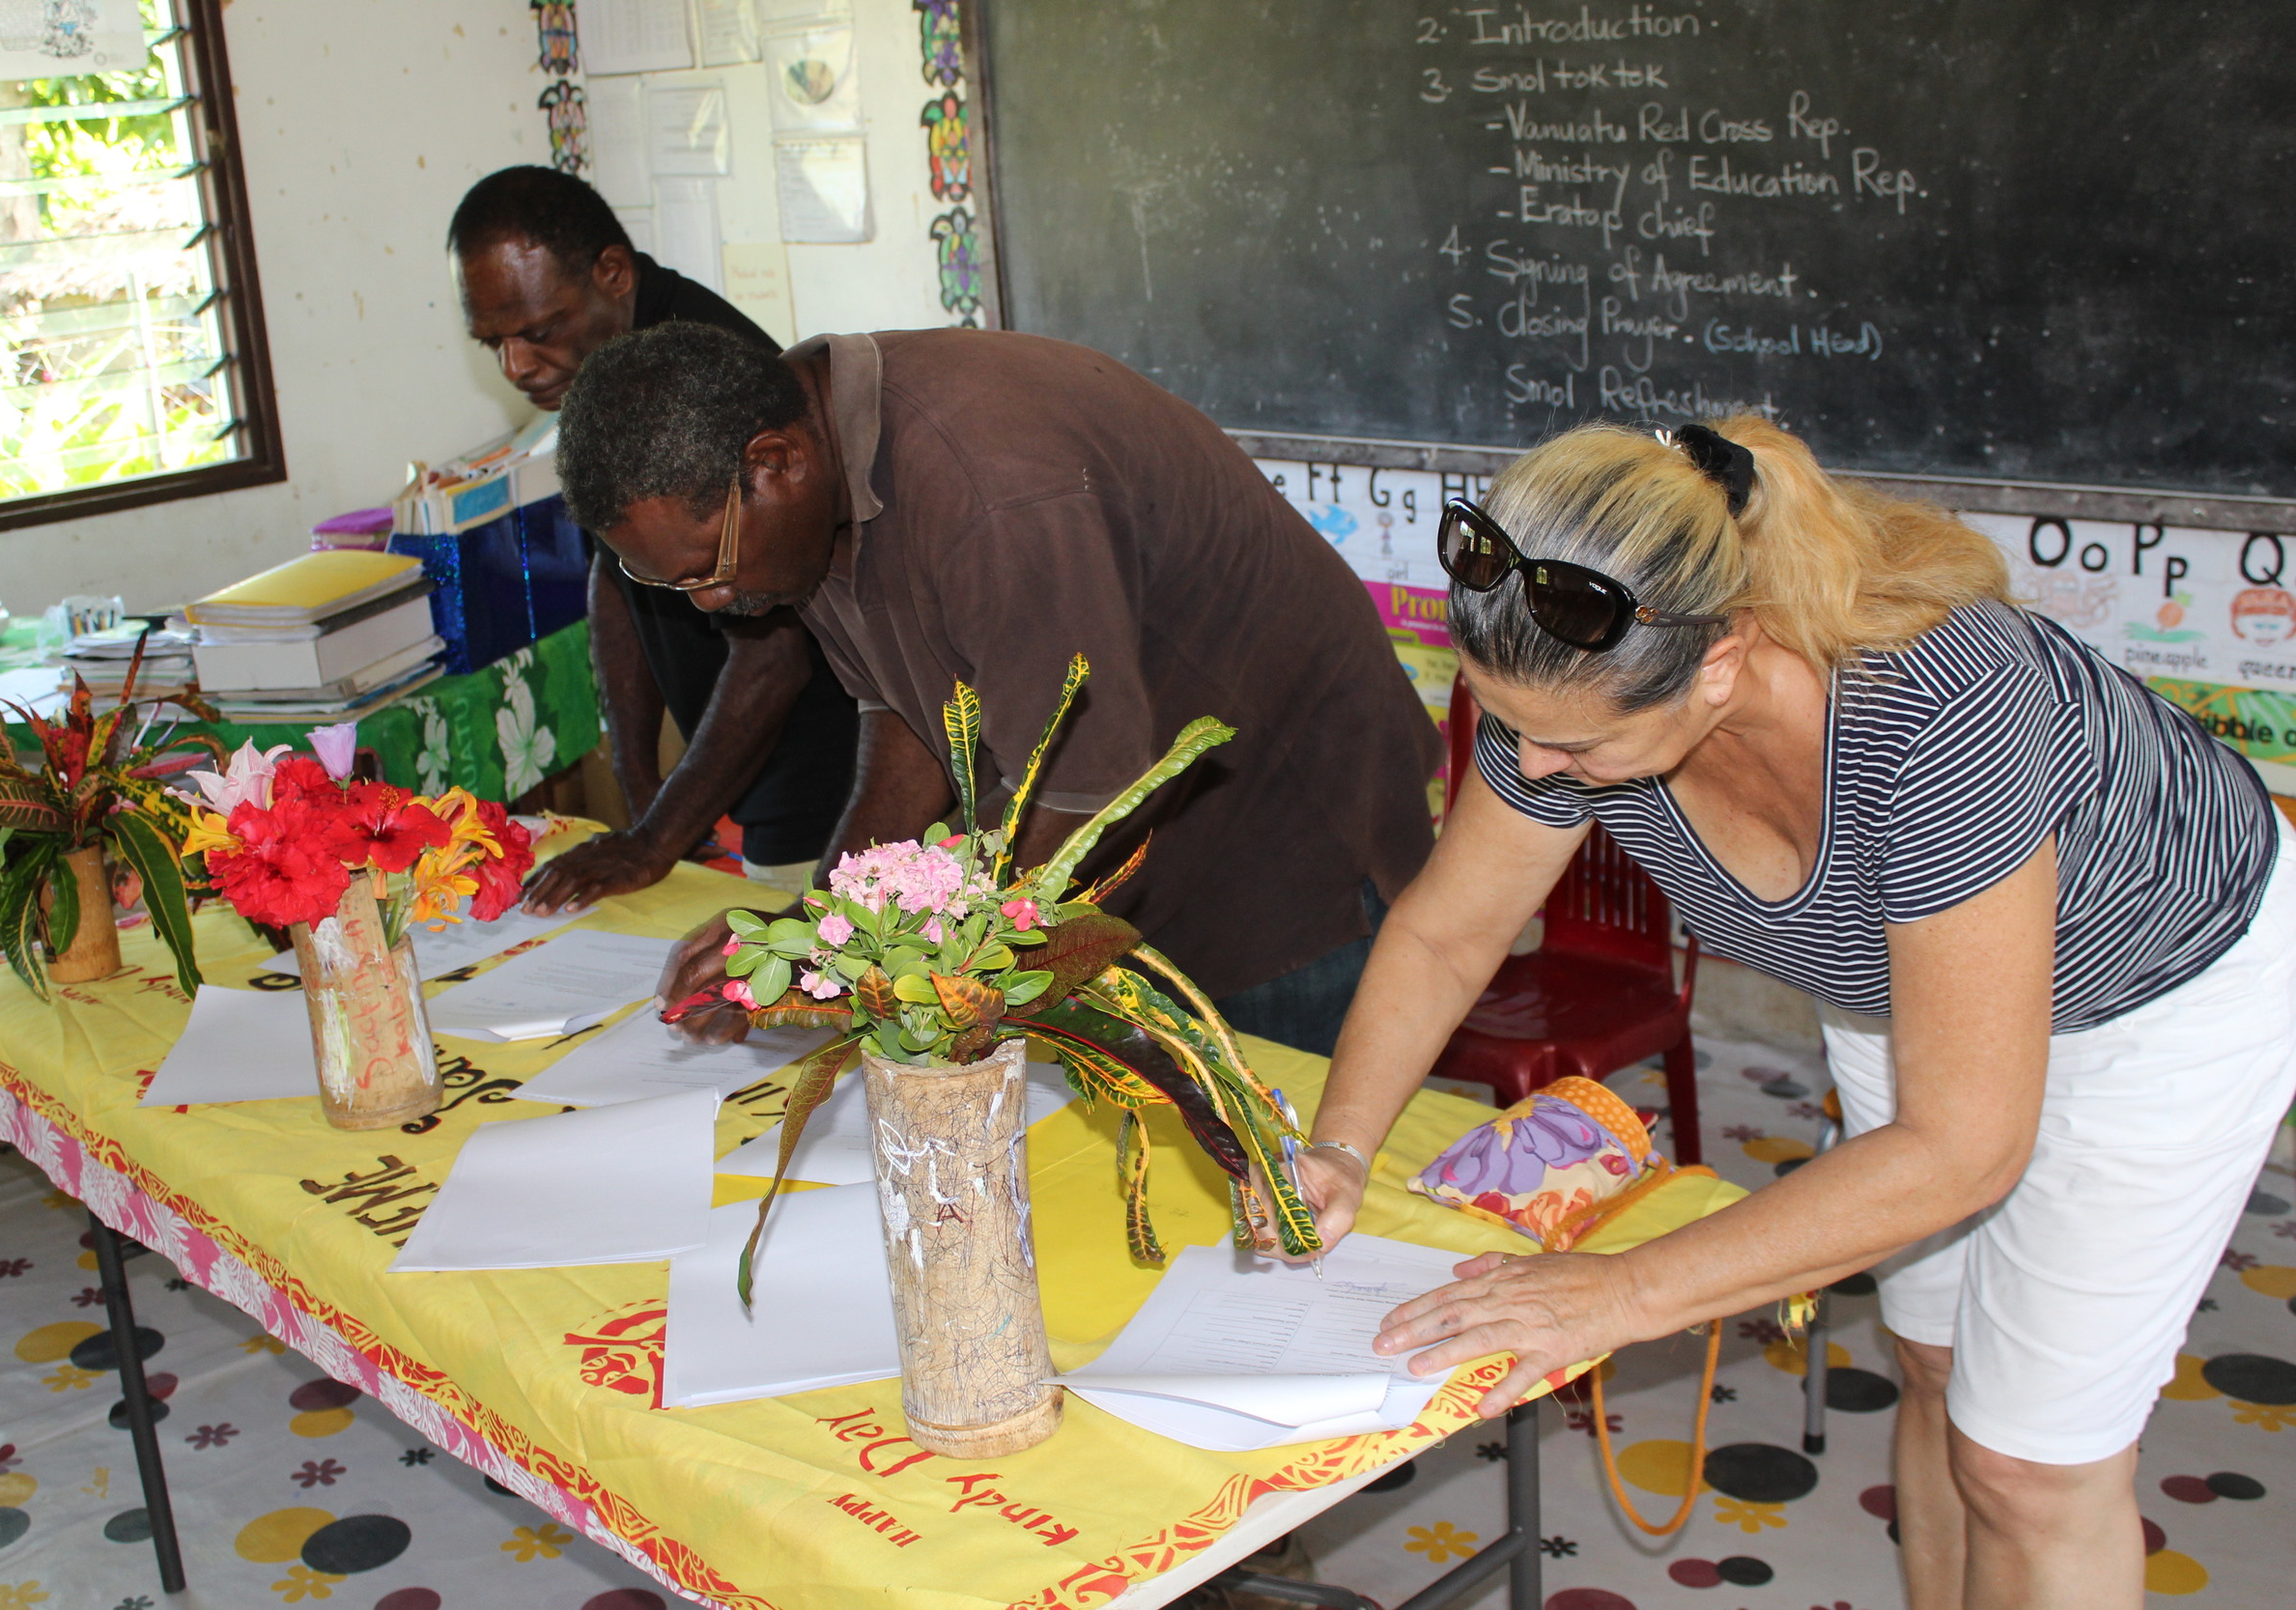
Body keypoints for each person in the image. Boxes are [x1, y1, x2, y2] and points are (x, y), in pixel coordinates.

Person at [1294, 417, 2294, 1610]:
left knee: (2027, 1466)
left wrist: (1624, 1289)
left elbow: (1964, 1143)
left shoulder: (1942, 707)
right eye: (1513, 729)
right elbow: (1446, 929)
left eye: (1572, 745)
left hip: (2163, 996)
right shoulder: (1566, 679)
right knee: (1931, 1363)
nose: (1535, 770)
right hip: (1902, 993)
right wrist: (1337, 1147)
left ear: (1721, 659)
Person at [552, 320, 1444, 1053]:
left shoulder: (991, 493)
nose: (710, 601)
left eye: (709, 568)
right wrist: (810, 935)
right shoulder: (800, 503)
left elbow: (1092, 801)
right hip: (1133, 831)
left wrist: (880, 970)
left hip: (1282, 837)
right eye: (673, 585)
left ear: (774, 462)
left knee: (1286, 1181)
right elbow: (907, 724)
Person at [444, 165, 857, 903]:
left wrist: (655, 838)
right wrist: (635, 769)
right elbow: (616, 566)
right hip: (743, 774)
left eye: (540, 331)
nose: (516, 365)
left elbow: (775, 658)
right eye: (493, 343)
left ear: (612, 272)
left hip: (820, 775)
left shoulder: (705, 373)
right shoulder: (602, 374)